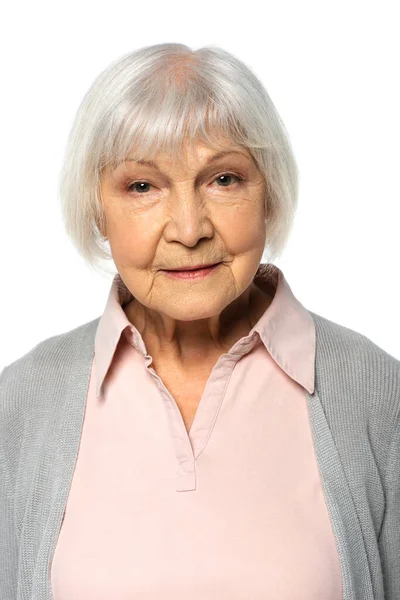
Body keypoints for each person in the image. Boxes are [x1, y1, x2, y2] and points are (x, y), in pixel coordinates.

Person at [1, 42, 399, 600]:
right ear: (97, 210)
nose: (189, 229)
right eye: (142, 186)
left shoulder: (378, 396)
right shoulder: (22, 400)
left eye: (224, 180)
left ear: (270, 192)